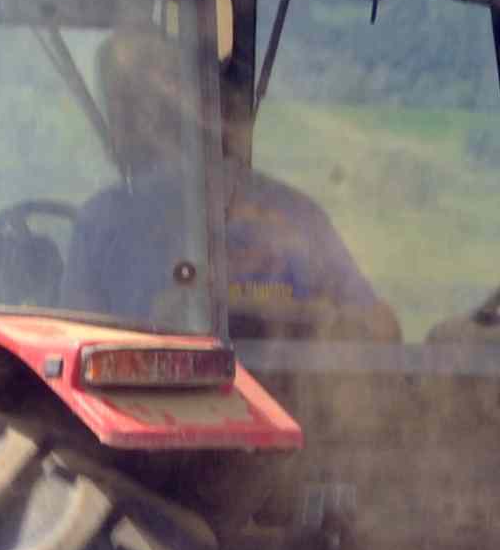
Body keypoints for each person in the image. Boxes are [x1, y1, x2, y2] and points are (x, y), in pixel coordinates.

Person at [72, 24, 398, 342]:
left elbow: (378, 330)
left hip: (280, 396)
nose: (129, 121)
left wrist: (288, 316)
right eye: (124, 103)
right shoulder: (296, 213)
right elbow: (381, 331)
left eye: (134, 104)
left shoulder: (103, 224)